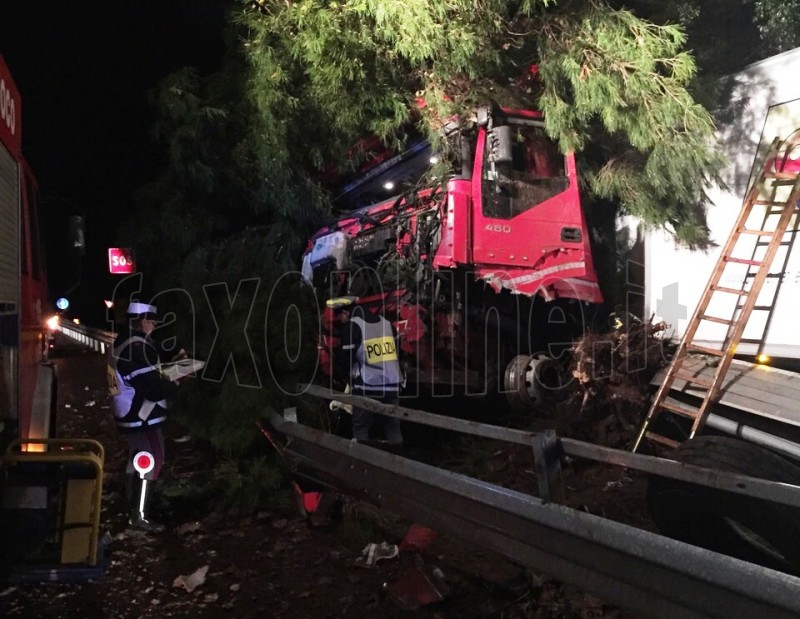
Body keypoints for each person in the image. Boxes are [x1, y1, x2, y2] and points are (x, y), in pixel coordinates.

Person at [108, 301, 176, 532]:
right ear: (142, 321)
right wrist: (177, 379)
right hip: (141, 414)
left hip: (127, 411)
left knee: (136, 460)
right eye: (152, 320)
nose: (154, 325)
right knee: (150, 460)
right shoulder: (136, 347)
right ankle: (140, 516)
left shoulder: (123, 341)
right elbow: (152, 387)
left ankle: (134, 507)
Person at [331, 297, 405, 449]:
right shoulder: (386, 323)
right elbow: (400, 353)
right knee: (393, 429)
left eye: (339, 318)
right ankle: (396, 463)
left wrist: (339, 378)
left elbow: (345, 360)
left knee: (361, 428)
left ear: (345, 313)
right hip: (392, 386)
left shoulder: (353, 326)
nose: (341, 322)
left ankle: (363, 462)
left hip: (367, 386)